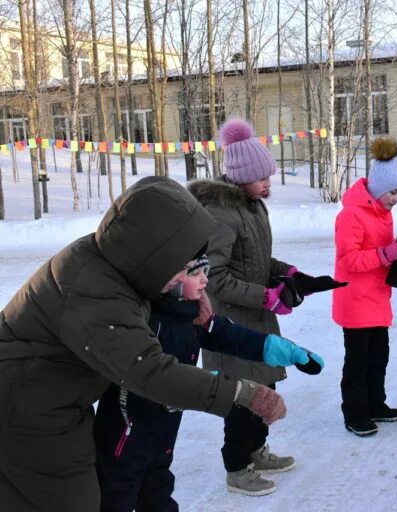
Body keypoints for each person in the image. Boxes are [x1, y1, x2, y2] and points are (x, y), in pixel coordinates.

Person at [0, 177, 286, 512]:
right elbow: (149, 371)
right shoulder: (94, 291)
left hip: (52, 400)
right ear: (153, 252)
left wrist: (193, 299)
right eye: (183, 264)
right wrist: (240, 395)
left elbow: (147, 291)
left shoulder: (114, 261)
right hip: (26, 410)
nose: (193, 273)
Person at [94, 252, 324, 508]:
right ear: (169, 280)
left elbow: (230, 335)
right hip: (126, 437)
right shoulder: (148, 322)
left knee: (158, 490)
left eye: (206, 271)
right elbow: (164, 378)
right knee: (116, 498)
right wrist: (236, 391)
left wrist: (285, 351)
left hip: (163, 434)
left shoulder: (190, 313)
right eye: (195, 273)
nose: (205, 280)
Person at [188, 119, 305, 496]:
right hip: (231, 324)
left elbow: (257, 260)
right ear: (239, 178)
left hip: (256, 318)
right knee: (242, 396)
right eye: (261, 178)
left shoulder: (253, 207)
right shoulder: (222, 213)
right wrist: (264, 296)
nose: (268, 184)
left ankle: (256, 449)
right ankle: (237, 467)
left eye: (269, 177)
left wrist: (285, 271)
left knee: (264, 386)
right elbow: (215, 276)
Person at [333, 136, 397, 437]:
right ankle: (354, 413)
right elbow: (350, 260)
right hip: (354, 301)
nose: (396, 198)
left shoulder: (383, 214)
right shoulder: (351, 215)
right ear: (378, 189)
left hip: (377, 298)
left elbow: (383, 252)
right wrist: (386, 254)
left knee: (379, 356)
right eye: (393, 192)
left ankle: (376, 404)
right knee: (357, 362)